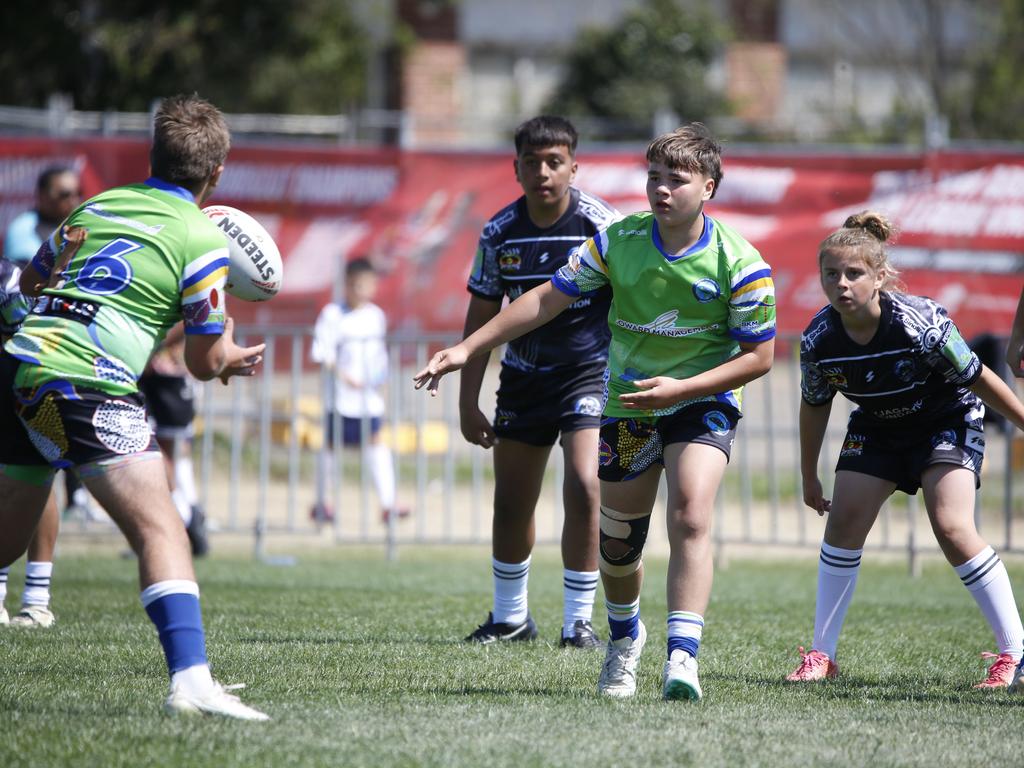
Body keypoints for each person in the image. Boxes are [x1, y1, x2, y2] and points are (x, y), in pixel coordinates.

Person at [415, 123, 776, 700]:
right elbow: (542, 299)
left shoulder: (742, 261)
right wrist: (465, 349)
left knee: (690, 513)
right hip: (630, 405)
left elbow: (760, 358)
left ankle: (682, 658)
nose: (660, 190)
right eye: (653, 177)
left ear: (709, 186)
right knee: (620, 542)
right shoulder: (617, 241)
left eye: (676, 180)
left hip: (700, 404)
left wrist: (680, 391)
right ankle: (623, 642)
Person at [0, 94, 269, 720]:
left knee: (8, 534)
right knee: (161, 524)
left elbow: (35, 283)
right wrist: (228, 356)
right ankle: (192, 680)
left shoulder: (99, 202)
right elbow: (204, 362)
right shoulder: (204, 239)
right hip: (85, 380)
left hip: (20, 365)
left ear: (152, 156)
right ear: (217, 173)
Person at [787, 211, 1024, 690]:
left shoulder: (921, 323)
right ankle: (821, 655)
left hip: (945, 421)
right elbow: (814, 406)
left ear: (879, 277)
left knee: (952, 525)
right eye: (830, 274)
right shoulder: (818, 339)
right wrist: (809, 475)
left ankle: (1015, 654)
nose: (841, 284)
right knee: (845, 522)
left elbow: (978, 378)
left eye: (853, 273)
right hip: (878, 428)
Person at [458, 115, 619, 649]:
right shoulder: (499, 232)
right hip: (523, 380)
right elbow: (481, 319)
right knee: (512, 500)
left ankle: (578, 622)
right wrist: (467, 400)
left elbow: (633, 297)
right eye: (532, 162)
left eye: (555, 162)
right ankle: (510, 619)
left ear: (574, 166)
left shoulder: (601, 224)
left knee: (586, 483)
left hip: (588, 374)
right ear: (516, 168)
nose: (543, 172)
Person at [3, 165, 99, 521]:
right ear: (42, 196)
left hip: (63, 343)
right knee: (31, 469)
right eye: (63, 194)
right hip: (25, 347)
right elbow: (33, 288)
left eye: (76, 193)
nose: (72, 200)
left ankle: (79, 499)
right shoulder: (24, 230)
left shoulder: (82, 228)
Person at [311, 257, 408, 524]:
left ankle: (389, 503)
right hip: (340, 398)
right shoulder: (332, 314)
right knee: (330, 446)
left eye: (365, 285)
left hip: (368, 398)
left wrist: (380, 383)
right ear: (347, 284)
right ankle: (323, 502)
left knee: (376, 442)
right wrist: (343, 377)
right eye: (355, 285)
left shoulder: (375, 316)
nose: (360, 291)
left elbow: (379, 357)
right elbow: (323, 352)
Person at [0, 256, 61, 628]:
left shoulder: (6, 276)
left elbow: (22, 327)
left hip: (20, 376)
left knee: (34, 477)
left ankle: (37, 599)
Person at [139, 323, 210, 556]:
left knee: (158, 451)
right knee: (171, 451)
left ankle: (187, 517)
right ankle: (190, 513)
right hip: (163, 378)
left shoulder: (192, 289)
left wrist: (151, 346)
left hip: (167, 378)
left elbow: (195, 318)